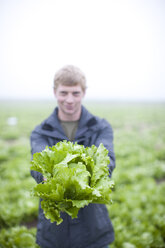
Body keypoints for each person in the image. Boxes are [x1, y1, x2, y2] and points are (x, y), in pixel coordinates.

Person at [30, 65, 116, 248]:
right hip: (55, 234)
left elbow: (107, 161)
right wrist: (48, 179)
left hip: (93, 228)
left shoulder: (101, 127)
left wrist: (84, 183)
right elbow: (37, 164)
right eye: (64, 93)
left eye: (75, 93)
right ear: (55, 92)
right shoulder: (40, 132)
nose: (69, 99)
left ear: (84, 93)